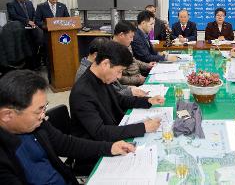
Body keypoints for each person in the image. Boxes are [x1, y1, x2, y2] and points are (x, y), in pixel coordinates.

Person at [0, 70, 135, 185]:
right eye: (39, 110)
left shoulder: (35, 124)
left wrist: (110, 147)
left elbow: (66, 144)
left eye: (44, 107)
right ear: (7, 115)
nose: (43, 116)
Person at [70, 40, 165, 143]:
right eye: (119, 71)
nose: (119, 76)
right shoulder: (82, 93)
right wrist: (142, 128)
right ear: (105, 64)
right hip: (97, 150)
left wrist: (148, 101)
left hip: (115, 131)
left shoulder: (102, 78)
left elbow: (119, 99)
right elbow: (100, 132)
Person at [75, 36, 148, 97]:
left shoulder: (99, 69)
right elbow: (108, 97)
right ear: (96, 55)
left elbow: (117, 87)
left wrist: (129, 87)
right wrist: (130, 92)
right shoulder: (88, 74)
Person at [6, 0, 43, 69]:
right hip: (20, 30)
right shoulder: (11, 4)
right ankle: (27, 67)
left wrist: (33, 21)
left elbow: (34, 13)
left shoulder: (29, 3)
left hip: (32, 29)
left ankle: (36, 65)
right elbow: (14, 16)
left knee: (35, 46)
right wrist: (27, 21)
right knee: (25, 49)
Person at [112, 21, 155, 86]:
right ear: (121, 35)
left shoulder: (126, 44)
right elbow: (116, 78)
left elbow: (133, 60)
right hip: (130, 86)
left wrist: (147, 65)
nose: (132, 40)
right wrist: (137, 80)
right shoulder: (111, 51)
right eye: (130, 37)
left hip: (138, 78)